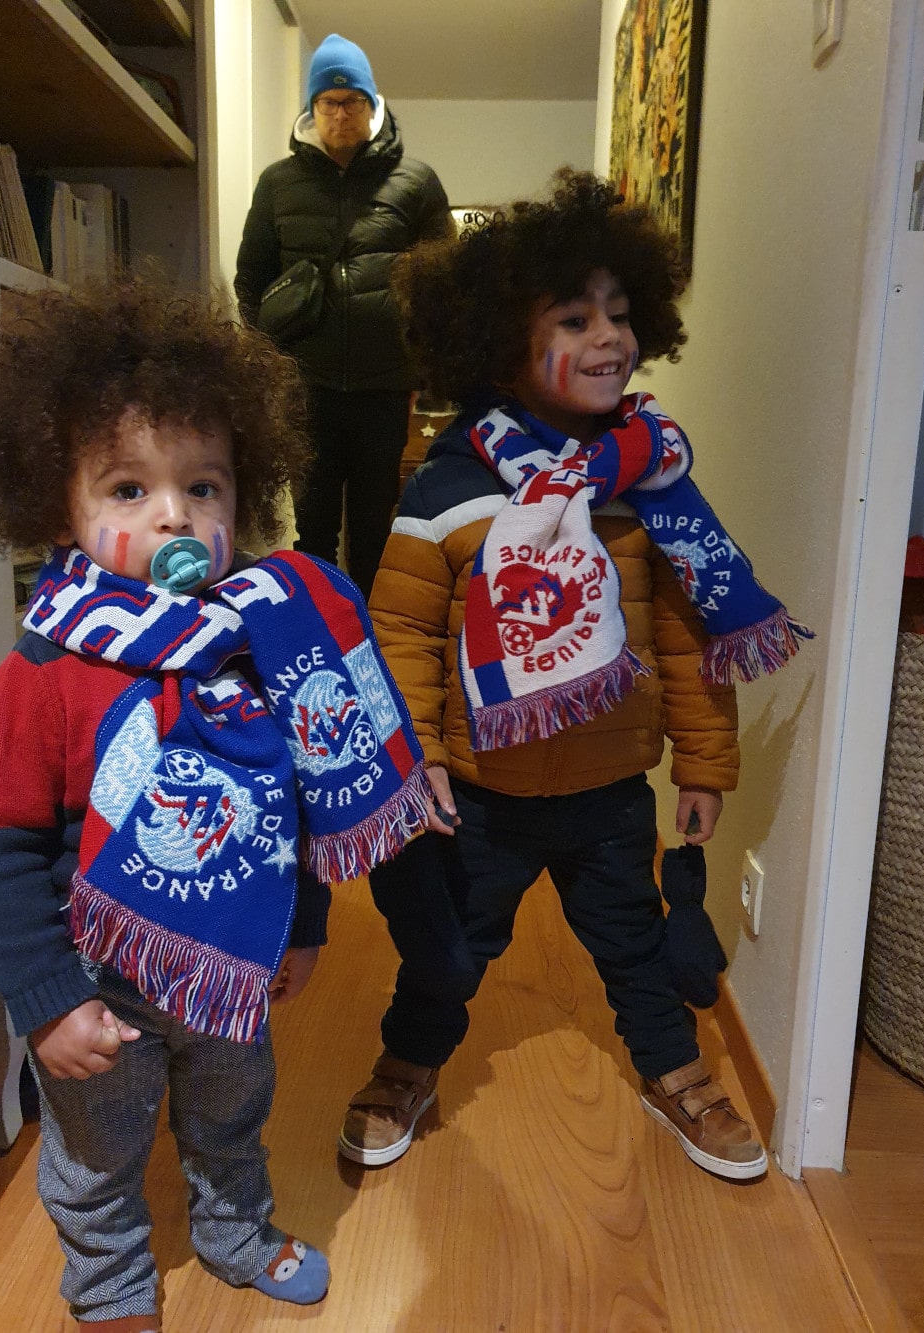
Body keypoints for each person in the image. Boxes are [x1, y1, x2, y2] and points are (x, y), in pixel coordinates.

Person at [0, 277, 432, 1331]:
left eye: (204, 486)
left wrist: (301, 927)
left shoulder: (266, 643)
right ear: (53, 506)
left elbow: (288, 804)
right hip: (98, 975)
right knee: (99, 1139)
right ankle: (109, 1279)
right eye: (127, 489)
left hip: (233, 960)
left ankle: (235, 1230)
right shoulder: (46, 669)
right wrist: (45, 997)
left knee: (231, 1108)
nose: (175, 513)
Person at [337, 169, 812, 1182]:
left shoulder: (649, 484)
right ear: (503, 341)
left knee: (633, 948)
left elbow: (686, 635)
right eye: (573, 316)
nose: (610, 338)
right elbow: (402, 636)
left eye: (621, 313)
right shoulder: (447, 485)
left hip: (607, 793)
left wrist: (704, 766)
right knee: (447, 954)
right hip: (479, 795)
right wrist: (414, 759)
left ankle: (675, 1073)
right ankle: (406, 1064)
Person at [234, 33, 454, 599]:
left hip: (385, 387)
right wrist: (270, 364)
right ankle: (319, 625)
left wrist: (423, 367)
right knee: (313, 524)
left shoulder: (417, 182)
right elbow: (250, 280)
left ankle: (373, 635)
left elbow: (444, 283)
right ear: (312, 109)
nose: (340, 113)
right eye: (328, 102)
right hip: (306, 387)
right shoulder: (277, 184)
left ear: (372, 105)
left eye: (352, 100)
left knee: (376, 522)